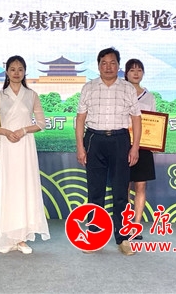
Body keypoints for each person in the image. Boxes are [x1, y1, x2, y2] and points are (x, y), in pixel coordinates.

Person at [75, 47, 141, 256]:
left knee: (121, 192)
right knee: (95, 192)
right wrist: (80, 146)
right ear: (98, 66)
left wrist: (135, 147)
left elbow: (136, 118)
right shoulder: (89, 87)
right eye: (104, 63)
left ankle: (122, 238)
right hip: (94, 139)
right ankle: (95, 237)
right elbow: (80, 119)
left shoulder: (127, 88)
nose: (108, 67)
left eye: (112, 63)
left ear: (118, 65)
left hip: (120, 140)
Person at [0, 55, 50, 254]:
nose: (16, 73)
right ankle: (7, 237)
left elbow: (41, 123)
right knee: (8, 187)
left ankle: (21, 238)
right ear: (7, 72)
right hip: (7, 147)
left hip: (25, 146)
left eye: (20, 69)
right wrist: (6, 132)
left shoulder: (32, 95)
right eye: (12, 69)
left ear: (25, 72)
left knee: (24, 187)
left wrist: (23, 131)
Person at [125, 58, 156, 241]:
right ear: (126, 73)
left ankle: (136, 225)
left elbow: (155, 122)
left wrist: (155, 141)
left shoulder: (149, 96)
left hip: (143, 146)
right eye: (132, 70)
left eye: (139, 70)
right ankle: (124, 224)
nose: (136, 73)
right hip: (122, 144)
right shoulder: (120, 93)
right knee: (123, 186)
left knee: (140, 186)